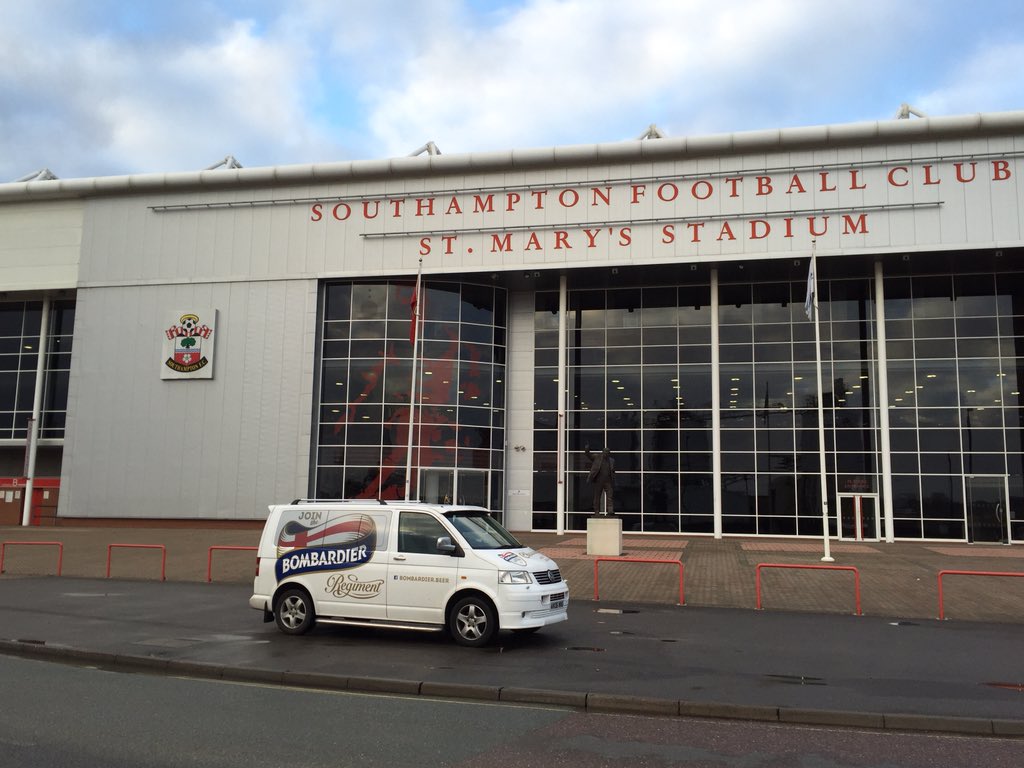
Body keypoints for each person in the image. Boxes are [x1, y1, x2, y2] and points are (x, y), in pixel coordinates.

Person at [584, 445, 615, 515]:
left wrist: (613, 478)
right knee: (597, 496)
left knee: (610, 495)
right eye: (605, 452)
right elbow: (588, 455)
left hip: (608, 481)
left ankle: (610, 510)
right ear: (603, 452)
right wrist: (587, 449)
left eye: (608, 452)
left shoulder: (612, 460)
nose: (606, 454)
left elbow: (612, 471)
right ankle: (596, 511)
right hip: (599, 480)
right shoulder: (597, 457)